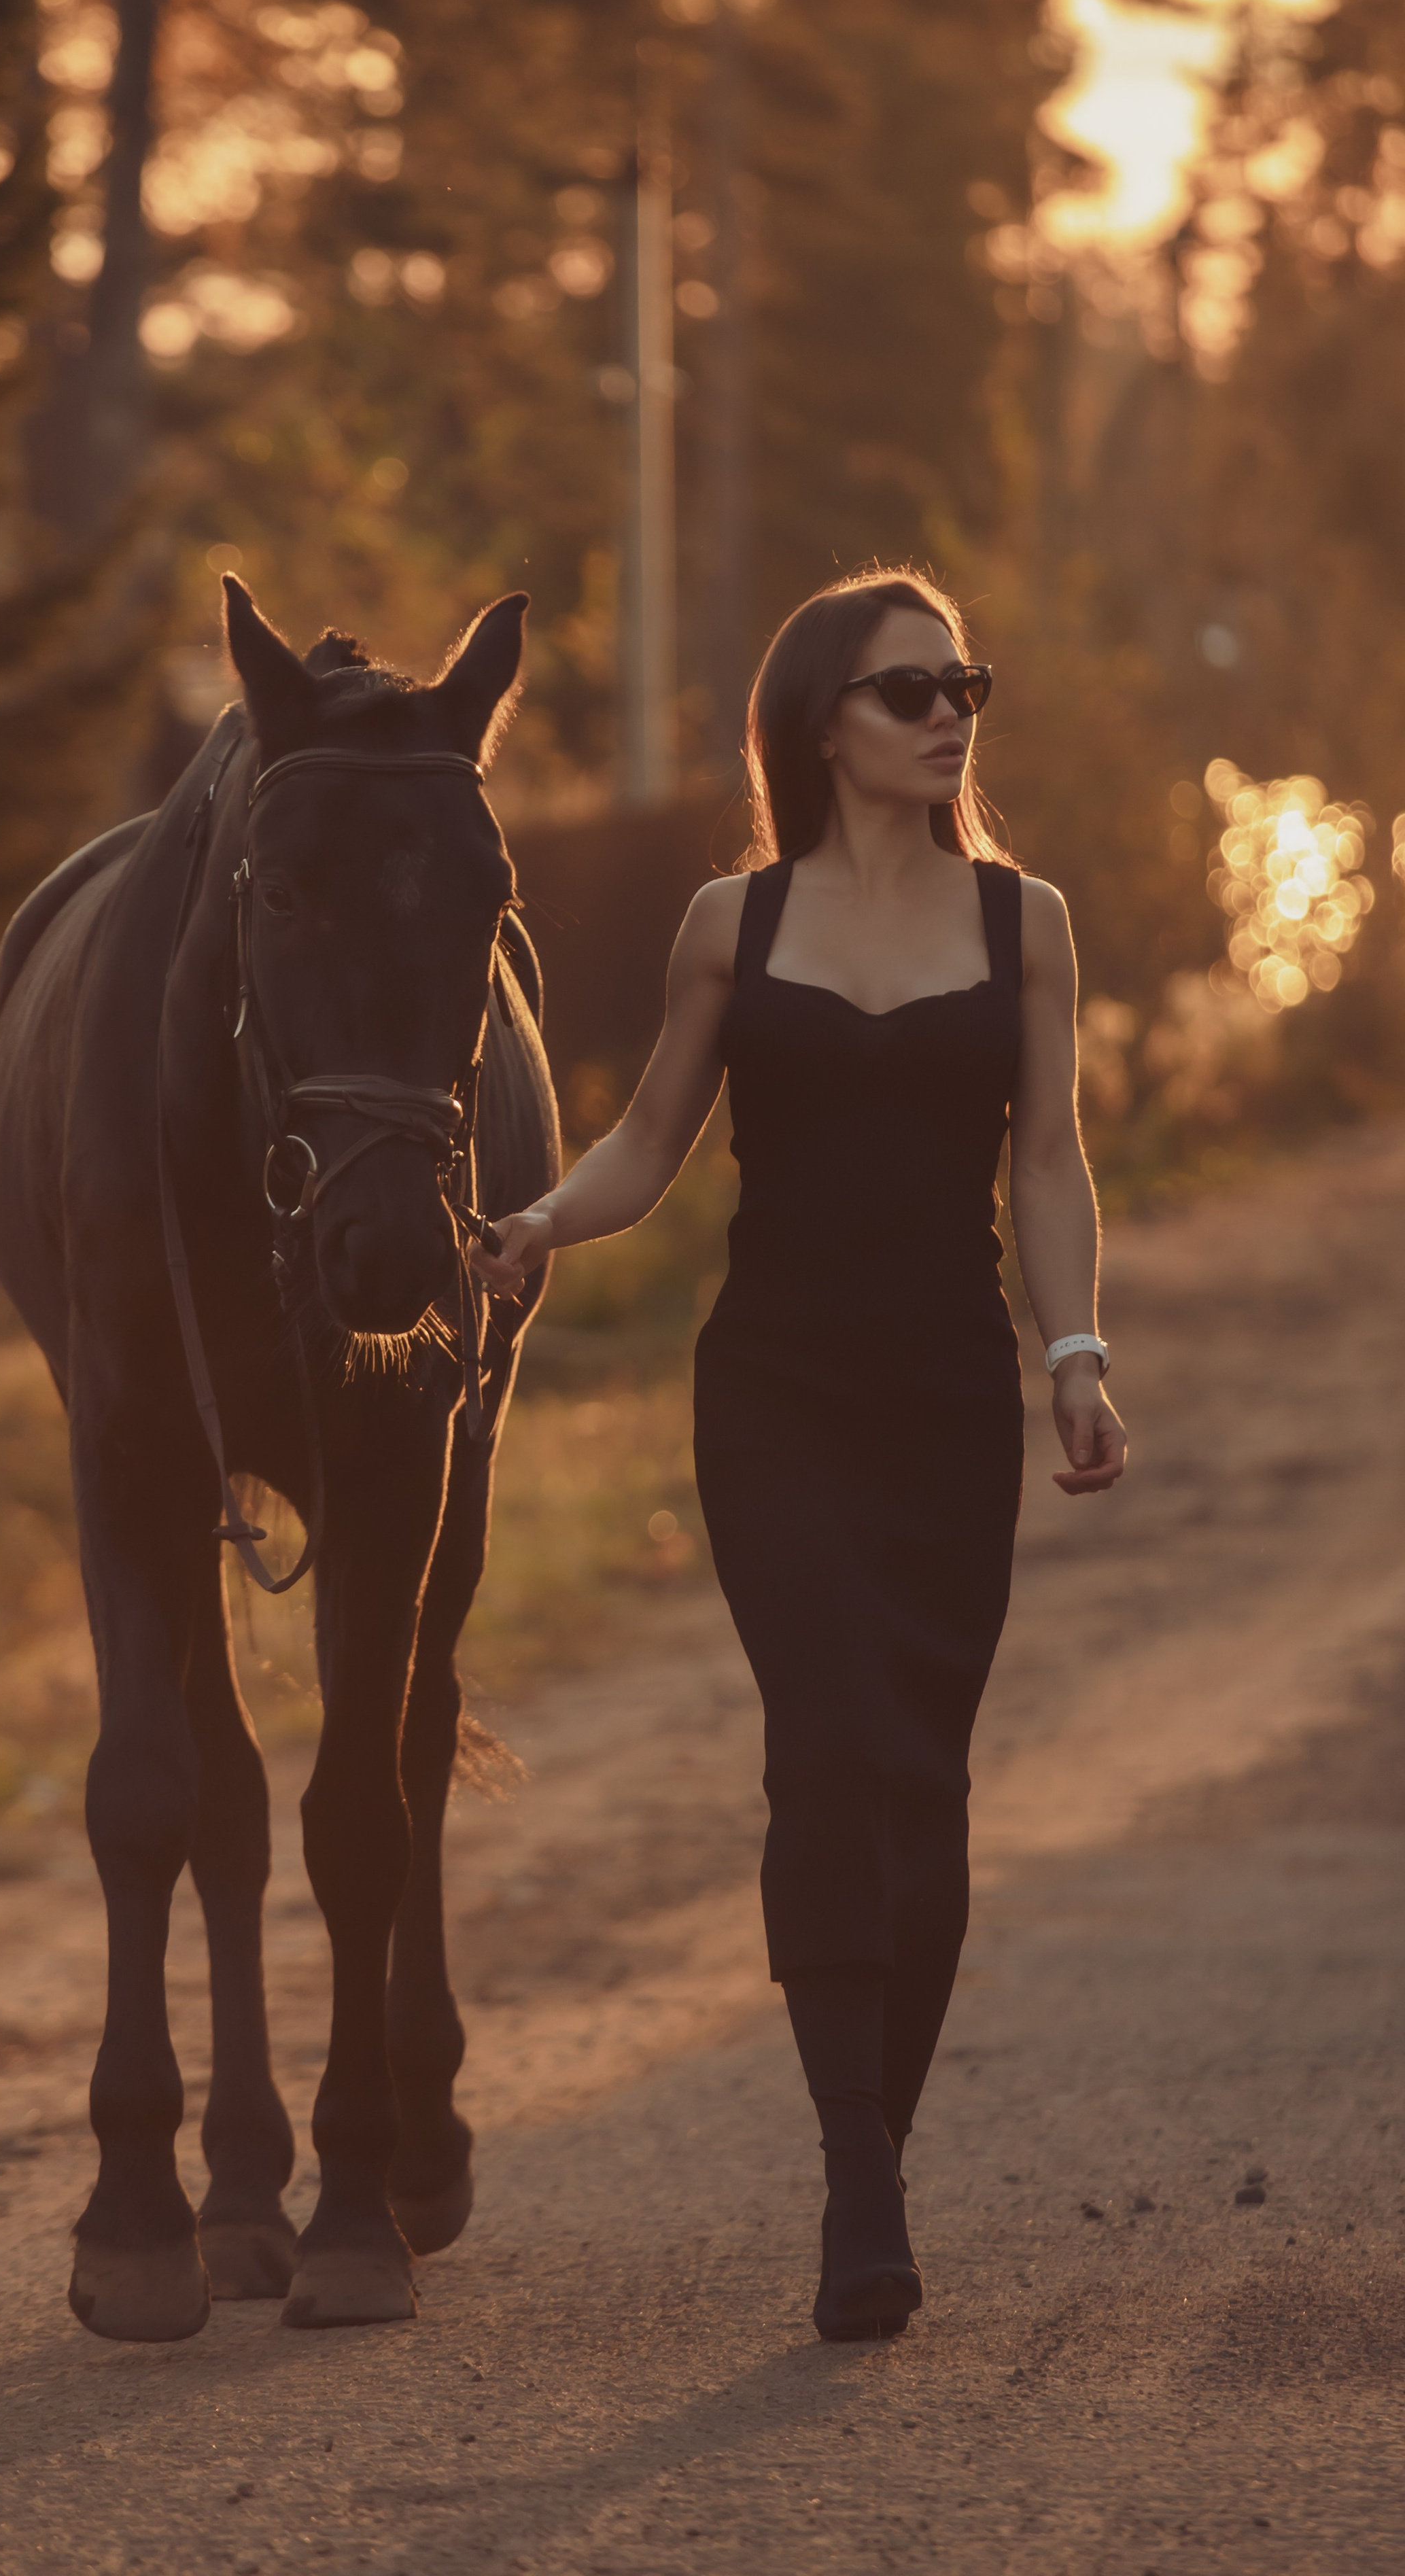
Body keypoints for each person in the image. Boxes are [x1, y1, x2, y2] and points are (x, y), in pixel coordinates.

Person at [476, 568, 1127, 2342]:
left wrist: (1075, 1355)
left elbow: (1048, 1166)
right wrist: (535, 1218)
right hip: (773, 1397)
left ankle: (874, 2141)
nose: (948, 714)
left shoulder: (1027, 924)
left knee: (924, 1788)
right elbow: (645, 1144)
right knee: (832, 1742)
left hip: (946, 1401)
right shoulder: (729, 925)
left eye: (964, 686)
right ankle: (861, 2182)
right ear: (819, 718)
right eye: (911, 688)